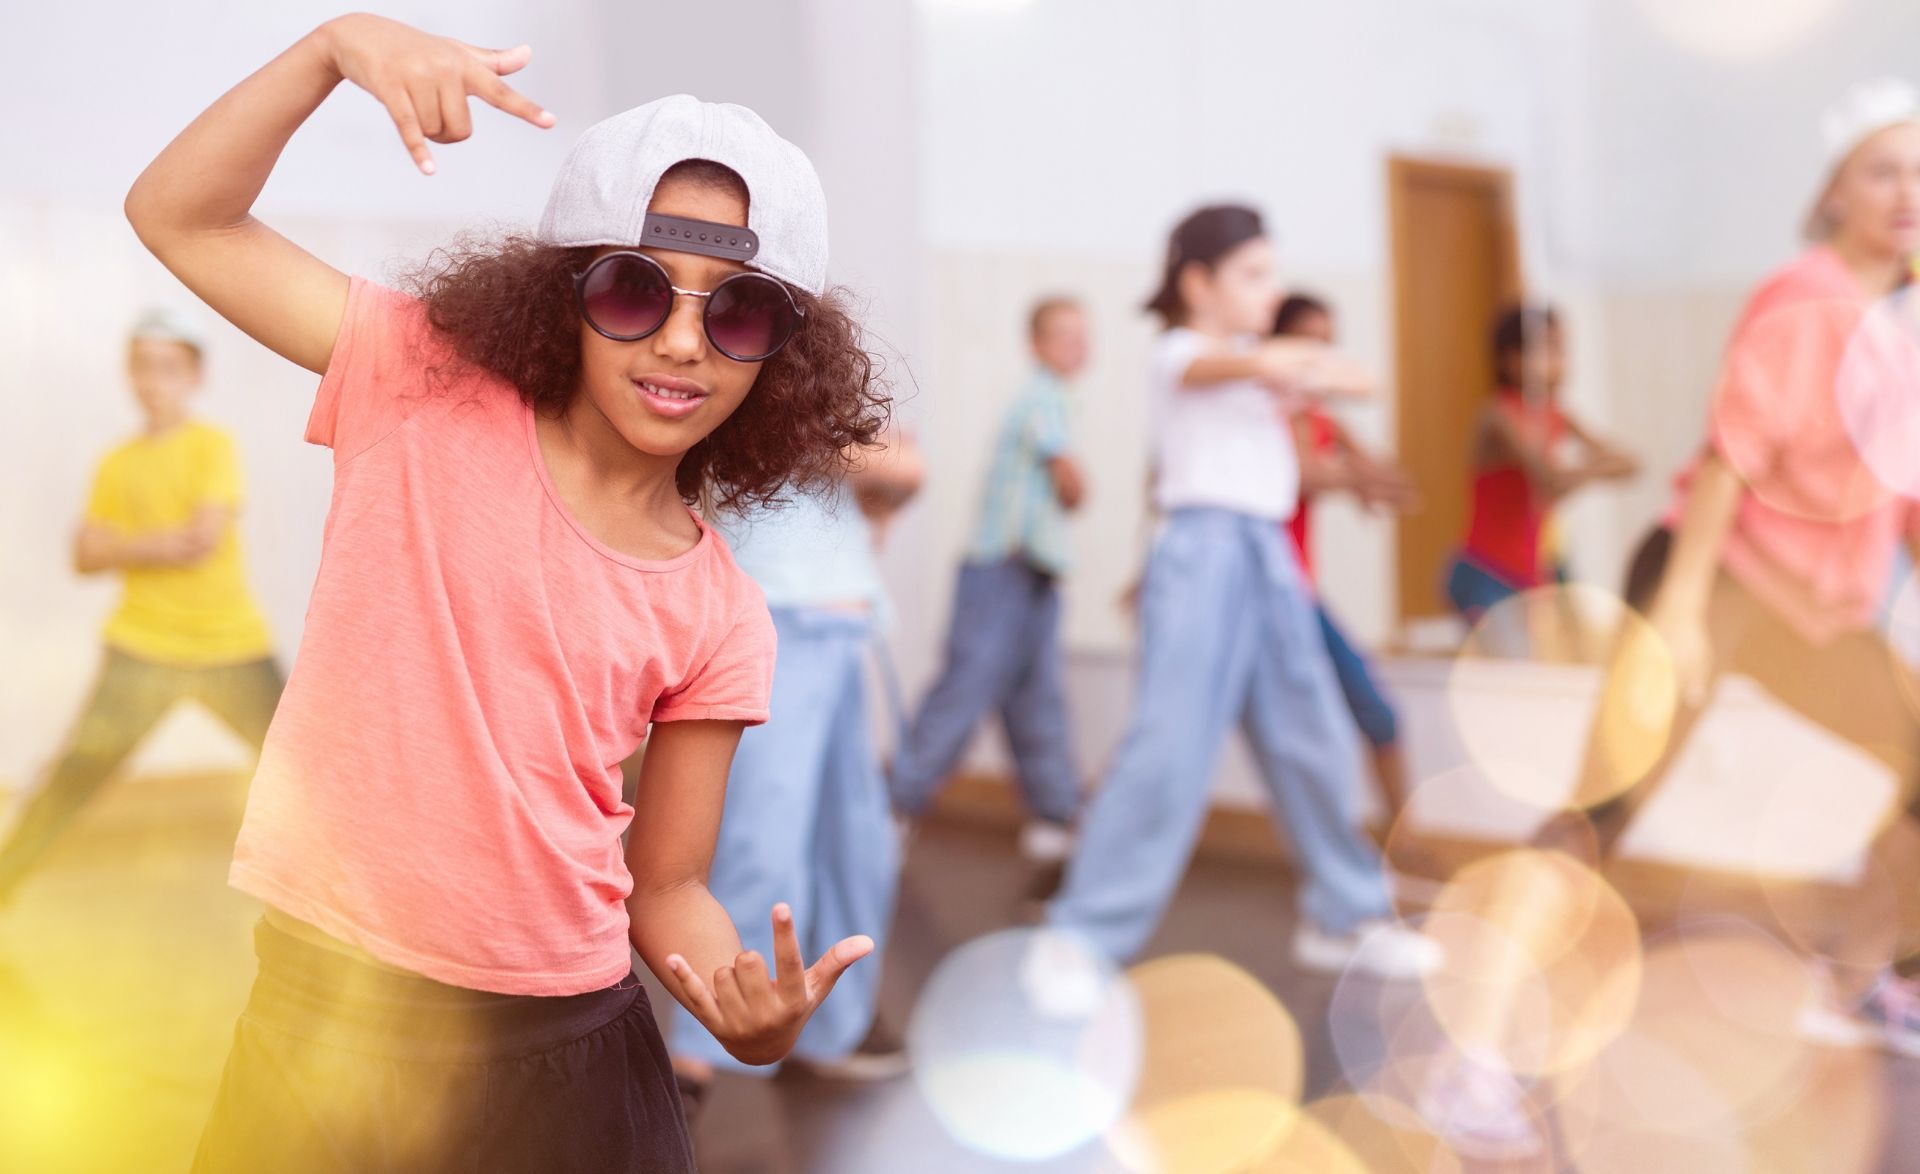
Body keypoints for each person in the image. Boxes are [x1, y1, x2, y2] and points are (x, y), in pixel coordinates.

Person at [123, 14, 890, 1171]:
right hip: (324, 1020)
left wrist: (741, 1006)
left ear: (784, 354)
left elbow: (670, 882)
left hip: (567, 1057)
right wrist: (332, 49)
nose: (683, 341)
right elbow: (178, 214)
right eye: (637, 291)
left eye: (737, 311)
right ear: (564, 295)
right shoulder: (416, 382)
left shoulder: (721, 607)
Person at [1429, 78, 1920, 1160]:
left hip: (1817, 610)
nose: (1908, 193)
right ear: (1834, 190)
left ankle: (1875, 980)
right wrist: (1688, 616)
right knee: (1605, 806)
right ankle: (1473, 1059)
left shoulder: (1903, 324)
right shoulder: (1805, 296)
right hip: (1712, 577)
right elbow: (1729, 461)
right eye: (1885, 168)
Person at [1040, 205, 1440, 981]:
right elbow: (1215, 369)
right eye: (1253, 274)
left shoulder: (1270, 363)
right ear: (1197, 282)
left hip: (1268, 554)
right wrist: (1282, 362)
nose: (1270, 288)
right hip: (1202, 550)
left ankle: (1346, 914)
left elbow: (1363, 379)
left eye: (1273, 273)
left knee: (1314, 737)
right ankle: (1080, 939)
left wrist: (1290, 362)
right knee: (1168, 747)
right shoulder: (1180, 352)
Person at [671, 432, 924, 1112]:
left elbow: (900, 476)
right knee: (764, 841)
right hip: (776, 624)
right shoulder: (756, 382)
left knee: (858, 847)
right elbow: (893, 461)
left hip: (850, 631)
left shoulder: (833, 404)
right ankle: (693, 1053)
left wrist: (863, 460)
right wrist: (866, 453)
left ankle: (831, 1031)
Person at [0, 309, 282, 906]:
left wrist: (121, 545)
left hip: (231, 647)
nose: (154, 381)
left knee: (307, 778)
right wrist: (150, 543)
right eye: (143, 367)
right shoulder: (115, 462)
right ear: (130, 374)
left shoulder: (214, 445)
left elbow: (198, 542)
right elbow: (82, 554)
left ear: (195, 375)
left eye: (169, 368)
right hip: (141, 648)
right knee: (68, 784)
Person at [891, 297, 1089, 885]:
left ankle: (1055, 816)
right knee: (967, 686)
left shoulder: (1059, 399)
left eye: (1084, 337)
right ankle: (895, 804)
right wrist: (1082, 486)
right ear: (1038, 346)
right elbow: (1071, 484)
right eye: (1064, 337)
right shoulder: (1042, 398)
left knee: (1037, 697)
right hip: (1001, 570)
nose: (1077, 348)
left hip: (1035, 572)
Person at [1274, 292, 1418, 824]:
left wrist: (1376, 483)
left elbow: (1385, 476)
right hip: (1268, 591)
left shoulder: (1321, 418)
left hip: (1298, 591)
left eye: (1327, 344)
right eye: (1307, 342)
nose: (1320, 356)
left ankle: (1400, 839)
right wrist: (1356, 480)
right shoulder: (1269, 410)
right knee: (1177, 728)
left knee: (1377, 717)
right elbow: (1304, 475)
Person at [1442, 305, 1638, 656]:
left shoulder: (1557, 414)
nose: (1559, 362)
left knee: (1573, 658)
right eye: (1548, 350)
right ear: (1511, 360)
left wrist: (1574, 476)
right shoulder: (1498, 416)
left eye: (1562, 350)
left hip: (1536, 568)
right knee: (1516, 674)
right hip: (1487, 571)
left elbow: (1629, 463)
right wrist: (1586, 472)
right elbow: (1547, 478)